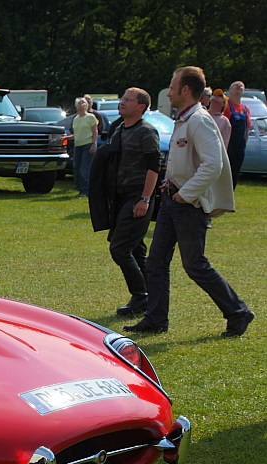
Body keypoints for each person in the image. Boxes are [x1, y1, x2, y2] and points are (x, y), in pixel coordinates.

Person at [125, 66, 254, 338]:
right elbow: (189, 161)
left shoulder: (199, 120)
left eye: (173, 87)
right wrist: (170, 182)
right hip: (174, 200)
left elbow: (213, 164)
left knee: (195, 264)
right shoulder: (185, 119)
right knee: (156, 262)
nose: (169, 92)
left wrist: (186, 193)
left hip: (188, 204)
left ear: (185, 90)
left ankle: (238, 312)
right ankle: (156, 319)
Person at [99, 88, 161, 318]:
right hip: (120, 196)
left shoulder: (147, 132)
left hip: (138, 195)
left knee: (119, 248)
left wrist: (145, 199)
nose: (122, 103)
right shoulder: (119, 129)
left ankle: (140, 296)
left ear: (141, 107)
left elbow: (154, 167)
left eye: (128, 100)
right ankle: (150, 298)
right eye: (122, 98)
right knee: (135, 248)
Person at [223, 81, 251, 188]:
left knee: (235, 173)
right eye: (236, 86)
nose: (239, 86)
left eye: (241, 86)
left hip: (239, 148)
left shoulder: (245, 108)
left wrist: (245, 142)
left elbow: (247, 128)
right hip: (228, 146)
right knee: (225, 173)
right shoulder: (226, 106)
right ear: (230, 90)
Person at [71, 97, 99, 197]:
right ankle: (79, 188)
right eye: (78, 103)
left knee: (84, 169)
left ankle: (86, 191)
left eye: (83, 103)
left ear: (86, 105)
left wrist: (93, 144)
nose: (80, 104)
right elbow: (76, 134)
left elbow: (95, 131)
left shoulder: (91, 117)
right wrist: (66, 137)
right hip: (77, 146)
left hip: (87, 145)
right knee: (76, 168)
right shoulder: (75, 118)